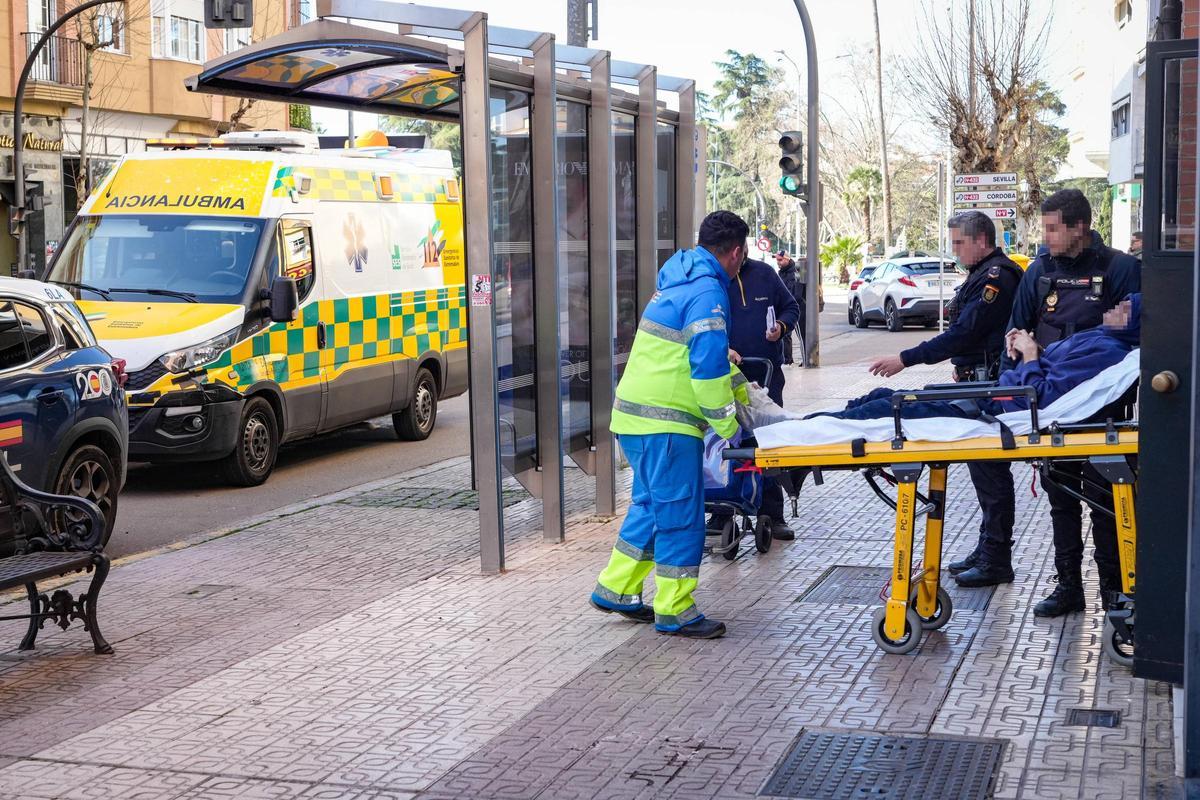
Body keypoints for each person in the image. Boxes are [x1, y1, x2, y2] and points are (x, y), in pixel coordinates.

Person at [590, 211, 751, 640]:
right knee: (681, 515)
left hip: (634, 419)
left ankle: (616, 587)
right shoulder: (707, 293)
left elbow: (687, 358)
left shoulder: (678, 281)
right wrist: (730, 426)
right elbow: (706, 370)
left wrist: (731, 381)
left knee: (650, 507)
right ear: (735, 252)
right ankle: (675, 609)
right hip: (668, 426)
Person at [866, 211, 1025, 589]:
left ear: (981, 241)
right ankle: (988, 549)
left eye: (958, 243)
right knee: (982, 473)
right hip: (975, 383)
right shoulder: (981, 275)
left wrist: (905, 359)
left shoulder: (997, 278)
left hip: (988, 390)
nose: (954, 252)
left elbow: (965, 332)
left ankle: (996, 557)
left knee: (991, 474)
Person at [1006, 188, 1141, 617]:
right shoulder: (1040, 271)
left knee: (1107, 501)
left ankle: (1114, 592)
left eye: (1051, 229)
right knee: (1059, 498)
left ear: (1078, 227)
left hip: (1101, 409)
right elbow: (1016, 328)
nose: (1044, 237)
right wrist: (1020, 357)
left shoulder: (1120, 268)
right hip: (1050, 403)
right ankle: (1068, 587)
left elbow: (1135, 339)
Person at [810, 295, 1139, 422]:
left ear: (1135, 322)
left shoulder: (1106, 352)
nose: (1112, 308)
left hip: (999, 405)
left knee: (888, 408)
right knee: (884, 397)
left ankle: (809, 429)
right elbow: (1049, 372)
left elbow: (1041, 399)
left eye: (1123, 309)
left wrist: (1029, 356)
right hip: (997, 394)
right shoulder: (1100, 337)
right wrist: (1031, 348)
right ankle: (810, 424)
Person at [722, 251, 801, 540]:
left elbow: (791, 308)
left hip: (765, 374)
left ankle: (772, 513)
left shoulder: (765, 274)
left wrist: (780, 327)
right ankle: (722, 510)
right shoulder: (715, 279)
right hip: (726, 376)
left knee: (768, 440)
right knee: (725, 438)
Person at [774, 250, 805, 366]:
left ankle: (805, 359)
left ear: (787, 259)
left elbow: (797, 293)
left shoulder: (797, 271)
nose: (778, 262)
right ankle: (787, 359)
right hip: (784, 307)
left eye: (780, 260)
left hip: (797, 307)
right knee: (785, 334)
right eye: (777, 260)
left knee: (801, 335)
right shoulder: (781, 273)